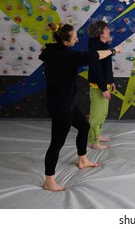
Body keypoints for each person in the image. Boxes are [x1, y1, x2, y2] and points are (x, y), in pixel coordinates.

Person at [39, 23, 121, 191]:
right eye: (74, 37)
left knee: (84, 126)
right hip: (60, 105)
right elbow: (92, 56)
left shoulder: (57, 51)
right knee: (57, 143)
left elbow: (88, 56)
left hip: (67, 101)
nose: (77, 38)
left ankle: (82, 160)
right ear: (65, 41)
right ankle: (49, 180)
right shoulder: (64, 55)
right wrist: (113, 51)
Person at [87, 21, 115, 150]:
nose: (109, 30)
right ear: (99, 33)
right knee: (96, 115)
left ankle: (97, 135)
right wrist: (104, 88)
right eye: (106, 29)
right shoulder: (95, 48)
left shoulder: (104, 46)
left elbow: (106, 68)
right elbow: (96, 70)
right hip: (98, 86)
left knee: (103, 113)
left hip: (105, 84)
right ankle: (94, 142)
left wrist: (111, 81)